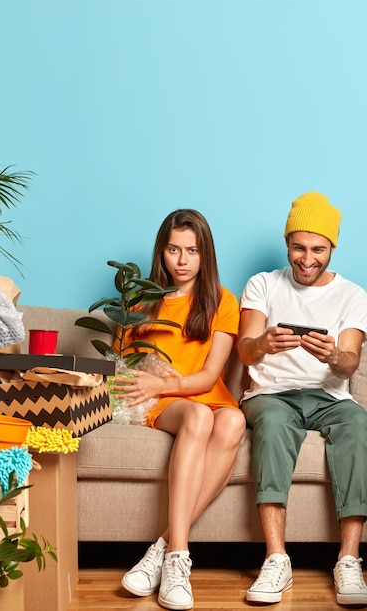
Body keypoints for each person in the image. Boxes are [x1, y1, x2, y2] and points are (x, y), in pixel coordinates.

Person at [237, 192, 367, 607]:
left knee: (357, 424)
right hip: (271, 395)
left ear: (332, 248)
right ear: (287, 245)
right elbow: (244, 350)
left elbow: (349, 363)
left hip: (330, 396)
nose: (307, 258)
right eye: (299, 247)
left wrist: (333, 354)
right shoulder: (263, 283)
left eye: (318, 249)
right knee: (275, 425)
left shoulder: (353, 295)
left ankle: (348, 560)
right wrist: (263, 343)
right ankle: (276, 559)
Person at [114, 209, 246, 611]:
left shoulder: (222, 300)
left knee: (234, 419)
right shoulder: (140, 301)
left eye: (192, 250)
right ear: (162, 252)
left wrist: (165, 381)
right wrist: (155, 386)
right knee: (198, 416)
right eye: (174, 249)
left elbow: (209, 377)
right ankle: (179, 558)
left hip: (203, 392)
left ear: (205, 254)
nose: (183, 260)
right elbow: (124, 364)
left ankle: (161, 548)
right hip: (166, 402)